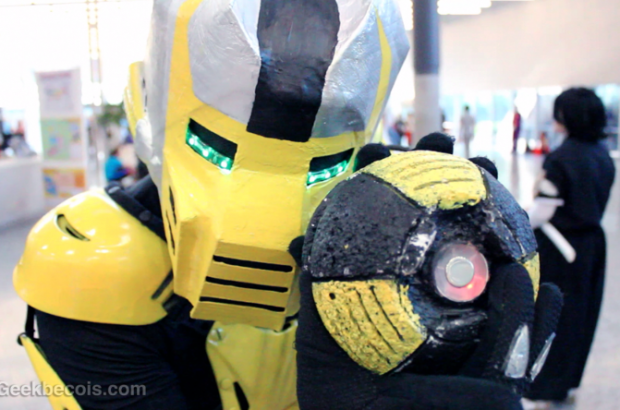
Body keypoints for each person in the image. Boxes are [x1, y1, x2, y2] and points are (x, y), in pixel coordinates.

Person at [13, 1, 411, 409]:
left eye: (324, 165)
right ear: (146, 105)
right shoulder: (92, 260)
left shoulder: (375, 245)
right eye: (215, 148)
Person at [525, 88, 616, 409]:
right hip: (592, 246)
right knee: (581, 317)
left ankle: (547, 387)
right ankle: (567, 382)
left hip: (560, 248)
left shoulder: (562, 157)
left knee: (553, 316)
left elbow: (542, 212)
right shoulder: (602, 154)